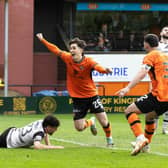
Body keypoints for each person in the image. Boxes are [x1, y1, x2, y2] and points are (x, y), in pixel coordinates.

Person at [36, 33, 114, 146]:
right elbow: (55, 49)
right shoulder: (68, 58)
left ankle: (109, 140)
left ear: (81, 50)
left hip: (91, 96)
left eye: (74, 48)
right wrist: (43, 40)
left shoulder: (89, 61)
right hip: (78, 98)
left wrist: (105, 70)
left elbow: (98, 67)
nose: (71, 50)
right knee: (79, 128)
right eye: (70, 48)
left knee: (103, 120)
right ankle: (90, 122)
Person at [116, 34, 168, 156]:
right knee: (150, 117)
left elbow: (142, 72)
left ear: (146, 44)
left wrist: (127, 88)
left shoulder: (151, 56)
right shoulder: (165, 56)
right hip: (166, 97)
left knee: (129, 111)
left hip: (160, 94)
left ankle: (140, 139)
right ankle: (146, 146)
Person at [0, 115, 64, 149]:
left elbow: (45, 133)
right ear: (48, 127)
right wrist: (54, 147)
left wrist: (48, 144)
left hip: (12, 132)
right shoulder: (39, 132)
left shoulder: (42, 122)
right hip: (7, 140)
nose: (56, 130)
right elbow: (37, 146)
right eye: (55, 128)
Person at [155, 26, 168, 134]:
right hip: (158, 78)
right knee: (156, 102)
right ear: (160, 32)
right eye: (165, 29)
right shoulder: (157, 46)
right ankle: (153, 127)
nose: (167, 31)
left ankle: (165, 128)